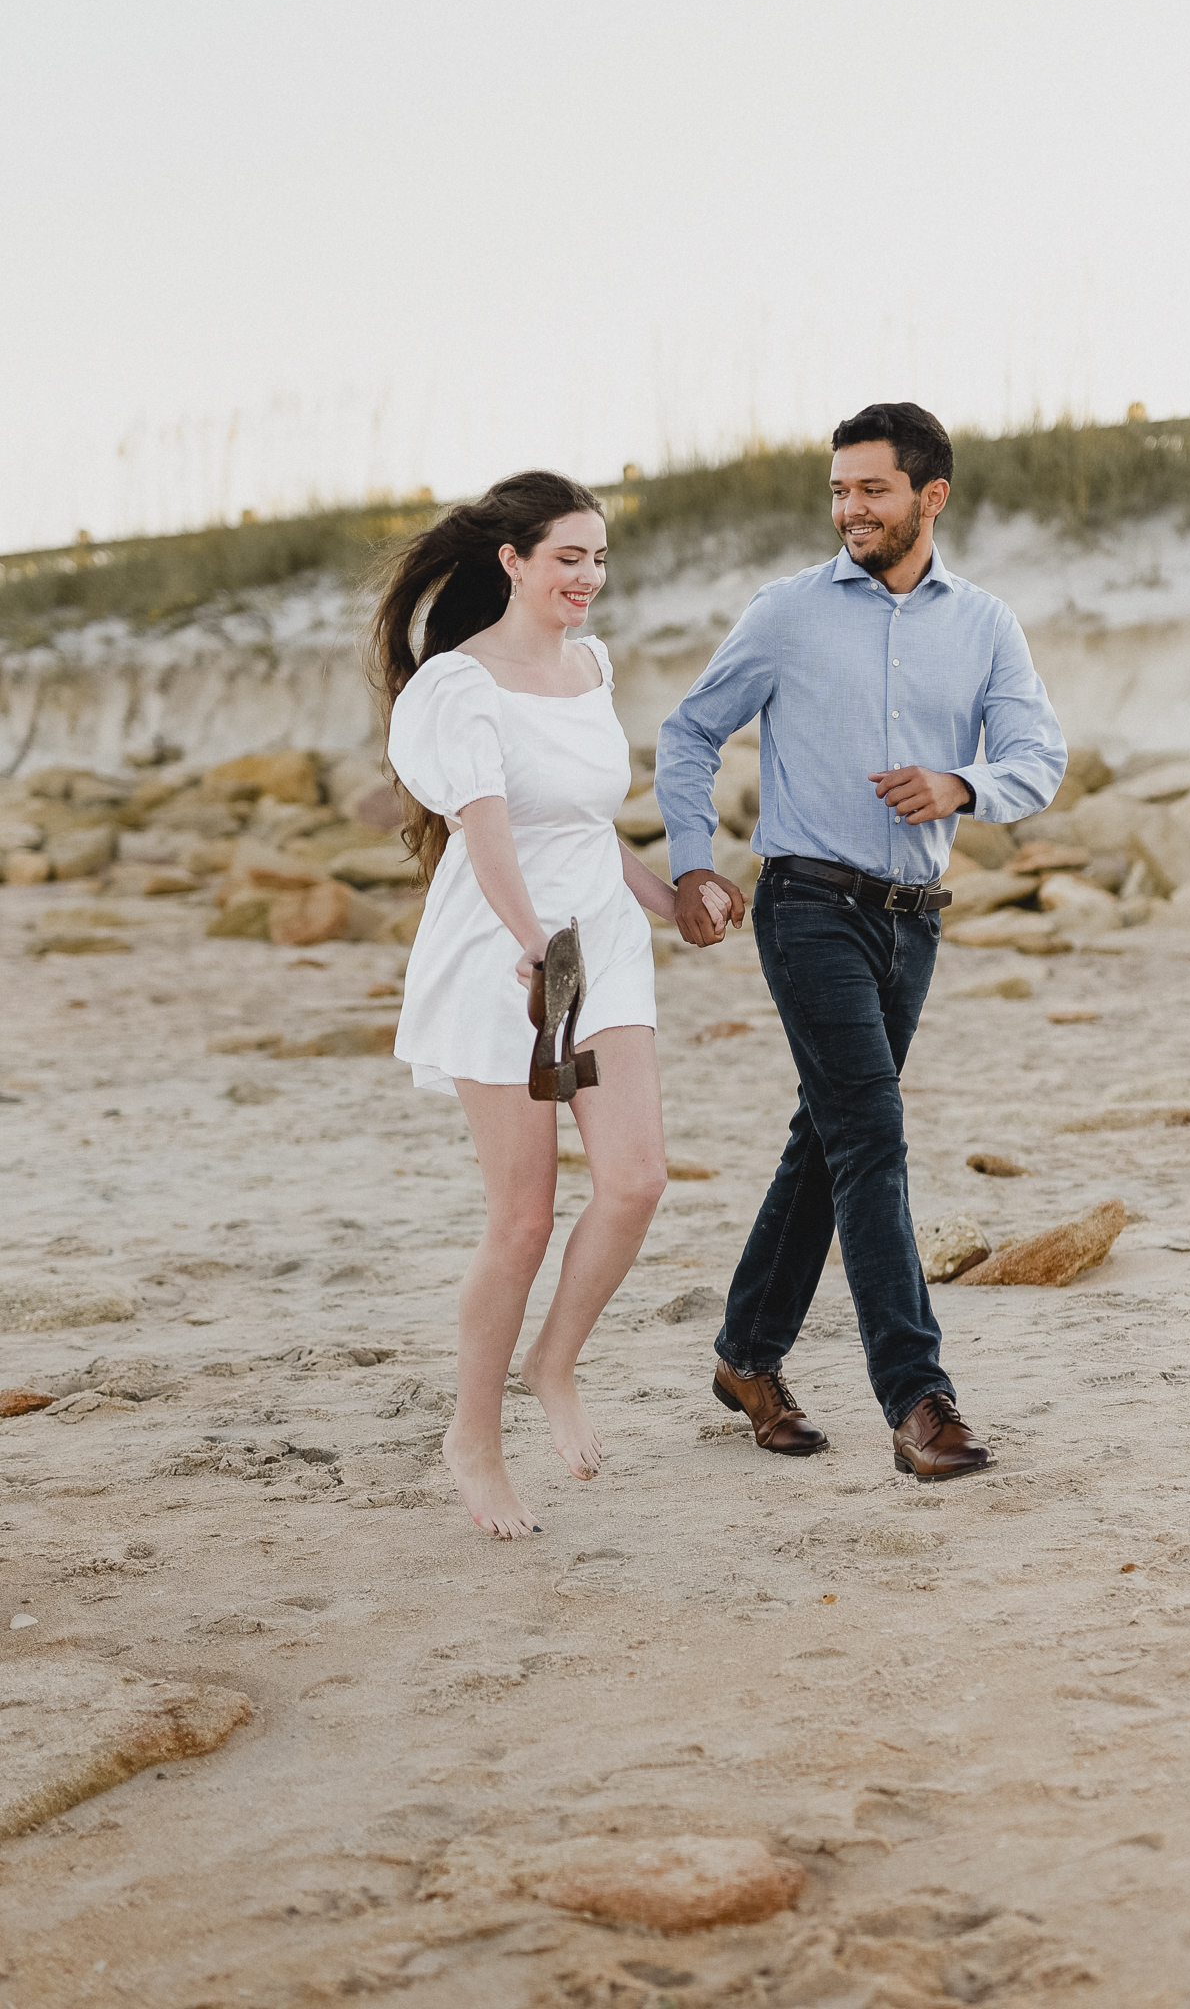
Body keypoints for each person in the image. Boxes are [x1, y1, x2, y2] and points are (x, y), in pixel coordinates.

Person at [655, 403, 1068, 1478]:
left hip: (910, 924)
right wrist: (695, 860)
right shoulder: (786, 612)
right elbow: (691, 729)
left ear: (929, 496)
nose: (849, 509)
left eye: (870, 490)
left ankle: (747, 1357)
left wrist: (961, 783)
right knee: (871, 1131)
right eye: (838, 489)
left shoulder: (983, 625)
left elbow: (1038, 754)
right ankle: (917, 1400)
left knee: (828, 1138)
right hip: (804, 907)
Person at [371, 471, 698, 1540]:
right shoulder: (458, 688)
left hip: (596, 939)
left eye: (598, 559)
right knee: (519, 1219)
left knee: (636, 1179)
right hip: (502, 952)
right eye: (568, 557)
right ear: (511, 560)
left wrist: (669, 896)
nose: (588, 579)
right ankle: (474, 1433)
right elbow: (491, 827)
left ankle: (552, 1363)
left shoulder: (589, 666)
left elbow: (582, 824)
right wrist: (528, 944)